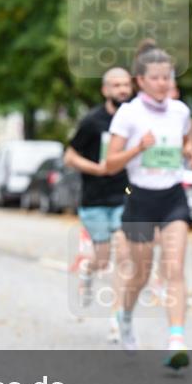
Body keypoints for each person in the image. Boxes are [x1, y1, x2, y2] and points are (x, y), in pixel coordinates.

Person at [104, 40, 192, 370]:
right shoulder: (128, 114)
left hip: (173, 197)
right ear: (140, 81)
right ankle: (125, 315)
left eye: (168, 77)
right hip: (140, 198)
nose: (164, 83)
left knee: (174, 267)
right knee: (141, 275)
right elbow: (110, 165)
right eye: (157, 78)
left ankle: (177, 339)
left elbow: (189, 138)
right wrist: (137, 149)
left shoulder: (180, 111)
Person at [63, 67, 133, 327]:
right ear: (105, 90)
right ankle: (88, 269)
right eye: (116, 85)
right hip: (95, 199)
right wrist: (98, 168)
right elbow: (68, 157)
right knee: (102, 259)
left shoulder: (135, 120)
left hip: (124, 195)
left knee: (123, 255)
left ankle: (117, 316)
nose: (123, 90)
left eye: (126, 85)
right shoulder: (93, 121)